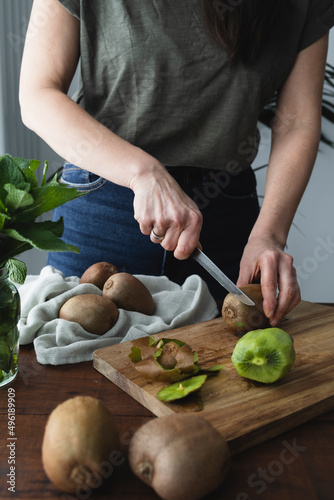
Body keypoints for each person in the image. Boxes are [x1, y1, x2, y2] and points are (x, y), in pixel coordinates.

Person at [19, 0, 334, 326]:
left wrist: (269, 235)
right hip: (103, 210)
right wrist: (143, 173)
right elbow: (38, 94)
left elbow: (297, 121)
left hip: (227, 219)